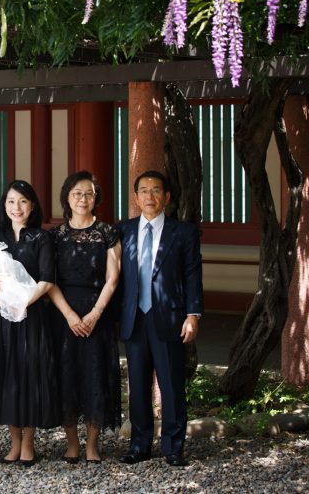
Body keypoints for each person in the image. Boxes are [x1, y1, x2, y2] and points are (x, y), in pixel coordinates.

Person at [0, 180, 59, 466]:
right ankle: (14, 442)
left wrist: (23, 302)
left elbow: (47, 280)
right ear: (3, 205)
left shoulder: (41, 238)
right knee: (6, 372)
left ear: (32, 205)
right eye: (10, 201)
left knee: (29, 374)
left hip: (30, 314)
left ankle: (29, 443)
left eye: (22, 201)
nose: (16, 207)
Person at [117, 170, 203, 467]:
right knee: (138, 386)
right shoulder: (124, 230)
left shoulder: (184, 232)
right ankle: (140, 445)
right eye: (143, 190)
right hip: (134, 318)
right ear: (136, 197)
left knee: (171, 385)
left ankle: (172, 447)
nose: (149, 196)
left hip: (169, 318)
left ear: (166, 197)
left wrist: (193, 315)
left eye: (156, 191)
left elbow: (192, 274)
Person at [48, 170, 122, 464]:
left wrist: (95, 314)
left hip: (97, 313)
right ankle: (72, 443)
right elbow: (48, 280)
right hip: (63, 314)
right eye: (77, 193)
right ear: (67, 197)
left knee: (95, 375)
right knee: (67, 375)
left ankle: (93, 444)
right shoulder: (55, 236)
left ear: (96, 198)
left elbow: (113, 278)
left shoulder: (108, 233)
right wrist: (69, 315)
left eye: (89, 193)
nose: (83, 198)